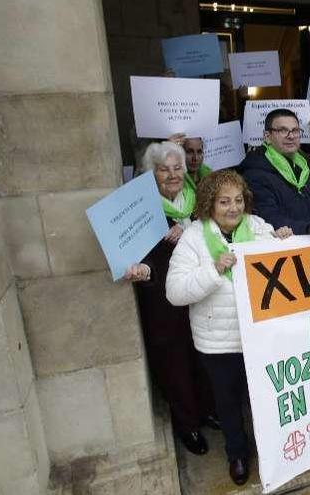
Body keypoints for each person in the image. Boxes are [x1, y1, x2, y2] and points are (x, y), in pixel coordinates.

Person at [166, 170, 294, 485]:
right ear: (210, 203)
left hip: (260, 336)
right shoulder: (193, 238)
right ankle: (237, 454)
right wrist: (213, 269)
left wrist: (283, 243)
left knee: (265, 397)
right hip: (219, 343)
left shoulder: (259, 228)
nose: (233, 208)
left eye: (238, 200)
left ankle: (274, 452)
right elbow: (175, 292)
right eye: (224, 202)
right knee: (227, 402)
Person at [123, 141, 215, 457]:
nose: (173, 174)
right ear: (152, 174)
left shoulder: (196, 201)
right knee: (174, 362)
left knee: (202, 354)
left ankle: (206, 410)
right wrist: (143, 270)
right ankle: (187, 423)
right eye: (165, 169)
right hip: (164, 302)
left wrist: (188, 228)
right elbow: (142, 256)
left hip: (200, 294)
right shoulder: (143, 211)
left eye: (177, 168)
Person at [240, 108, 310, 239]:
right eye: (283, 130)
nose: (291, 136)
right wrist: (309, 228)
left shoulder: (303, 166)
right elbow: (268, 218)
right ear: (267, 137)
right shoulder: (255, 173)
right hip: (282, 250)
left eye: (295, 130)